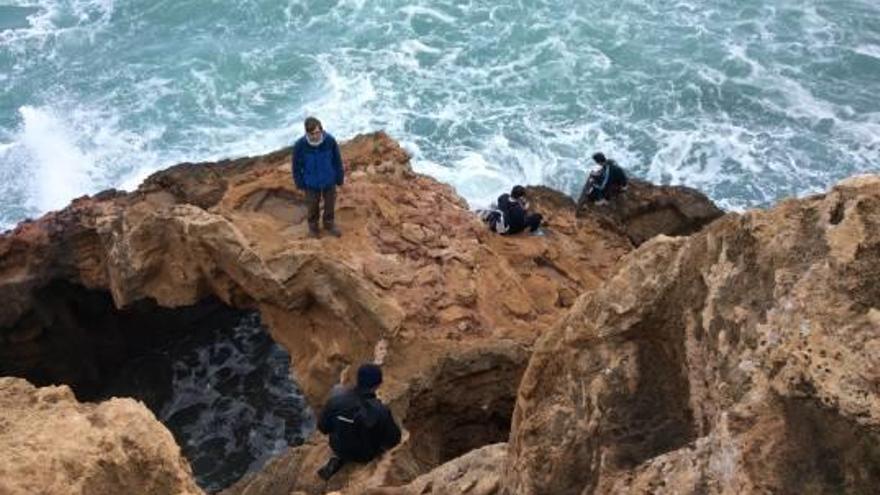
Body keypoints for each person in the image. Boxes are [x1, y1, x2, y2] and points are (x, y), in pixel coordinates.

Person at [316, 363, 402, 481]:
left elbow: (323, 427)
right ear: (378, 385)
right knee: (382, 434)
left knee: (345, 431)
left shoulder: (336, 399)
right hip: (365, 455)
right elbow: (393, 440)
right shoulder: (380, 410)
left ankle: (338, 459)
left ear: (358, 380)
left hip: (337, 447)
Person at [292, 116, 345, 238]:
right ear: (307, 133)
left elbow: (337, 161)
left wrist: (339, 178)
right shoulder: (300, 145)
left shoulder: (330, 141)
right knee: (312, 206)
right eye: (313, 133)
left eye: (318, 132)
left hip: (329, 179)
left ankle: (329, 224)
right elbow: (296, 166)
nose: (316, 135)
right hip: (311, 182)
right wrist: (299, 183)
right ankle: (313, 228)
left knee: (330, 204)